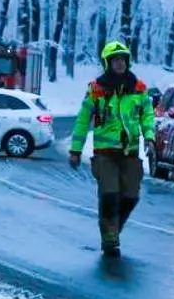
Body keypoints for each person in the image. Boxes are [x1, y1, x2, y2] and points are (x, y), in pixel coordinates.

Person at [67, 40, 156, 257]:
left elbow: (147, 115)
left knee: (131, 196)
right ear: (107, 63)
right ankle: (109, 236)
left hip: (130, 152)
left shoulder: (139, 88)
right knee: (109, 194)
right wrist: (75, 150)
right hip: (105, 153)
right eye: (115, 60)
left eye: (122, 59)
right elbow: (82, 120)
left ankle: (114, 228)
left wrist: (149, 138)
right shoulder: (96, 89)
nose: (119, 63)